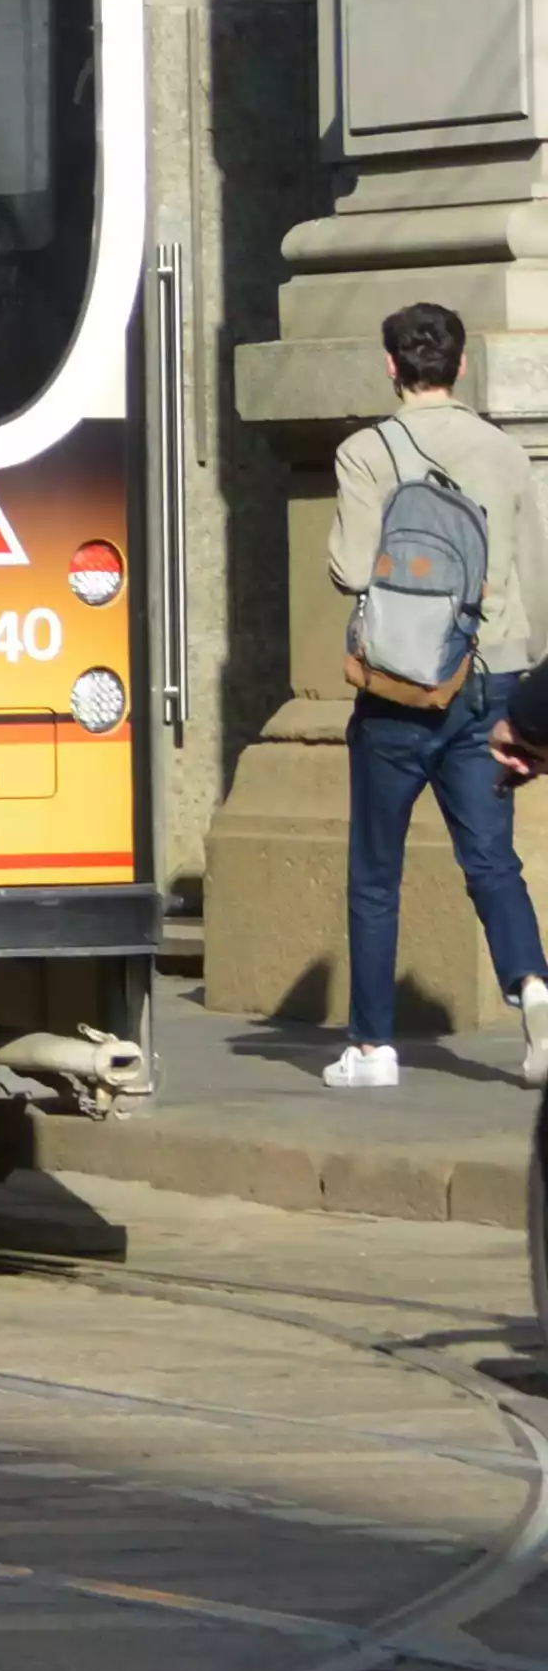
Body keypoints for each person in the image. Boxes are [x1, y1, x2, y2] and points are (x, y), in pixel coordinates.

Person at [334, 299, 548, 1088]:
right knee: (492, 858)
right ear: (460, 366)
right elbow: (537, 574)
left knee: (375, 869)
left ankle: (371, 1048)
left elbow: (351, 572)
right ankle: (535, 996)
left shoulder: (365, 452)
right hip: (492, 677)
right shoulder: (505, 451)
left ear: (392, 366)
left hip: (400, 685)